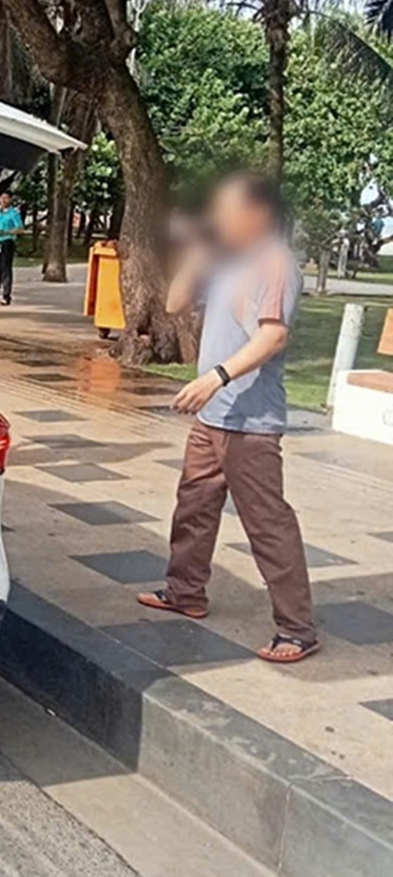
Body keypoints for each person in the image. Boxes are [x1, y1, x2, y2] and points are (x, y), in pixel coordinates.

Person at [138, 172, 319, 664]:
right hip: (212, 417)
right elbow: (175, 303)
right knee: (194, 506)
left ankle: (297, 628)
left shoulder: (275, 262)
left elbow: (272, 336)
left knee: (267, 523)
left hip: (251, 422)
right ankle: (185, 592)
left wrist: (216, 377)